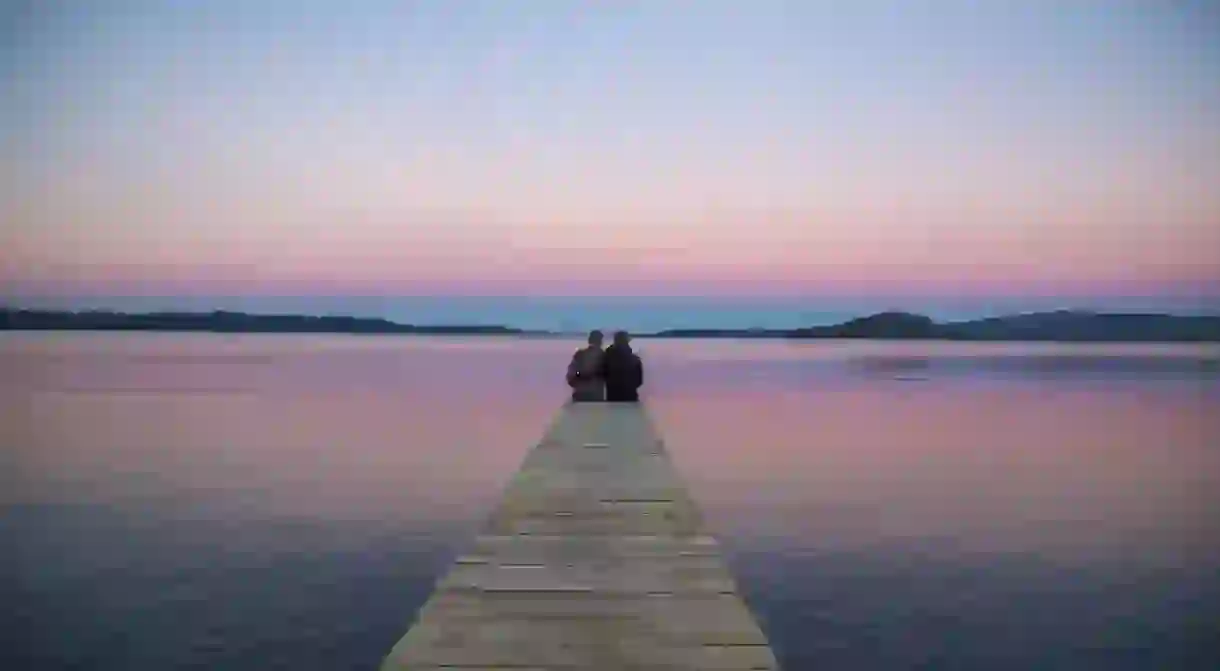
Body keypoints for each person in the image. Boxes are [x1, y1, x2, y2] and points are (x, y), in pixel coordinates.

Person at [600, 330, 643, 402]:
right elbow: (639, 381)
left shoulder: (607, 358)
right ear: (627, 341)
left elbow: (602, 376)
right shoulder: (635, 359)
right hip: (631, 396)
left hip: (612, 396)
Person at [566, 330, 606, 402]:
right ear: (600, 341)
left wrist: (578, 379)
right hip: (597, 395)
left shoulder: (580, 354)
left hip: (580, 393)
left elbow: (571, 375)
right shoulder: (604, 355)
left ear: (589, 340)